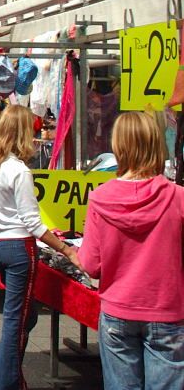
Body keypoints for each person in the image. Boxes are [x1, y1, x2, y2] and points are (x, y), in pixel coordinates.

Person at [0, 105, 81, 390]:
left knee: (23, 315)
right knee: (16, 319)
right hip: (19, 246)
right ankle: (8, 383)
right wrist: (66, 249)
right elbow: (33, 222)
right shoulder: (18, 170)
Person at [77, 111, 184, 390]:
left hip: (118, 310)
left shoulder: (100, 198)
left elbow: (89, 264)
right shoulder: (178, 198)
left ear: (118, 147)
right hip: (167, 310)